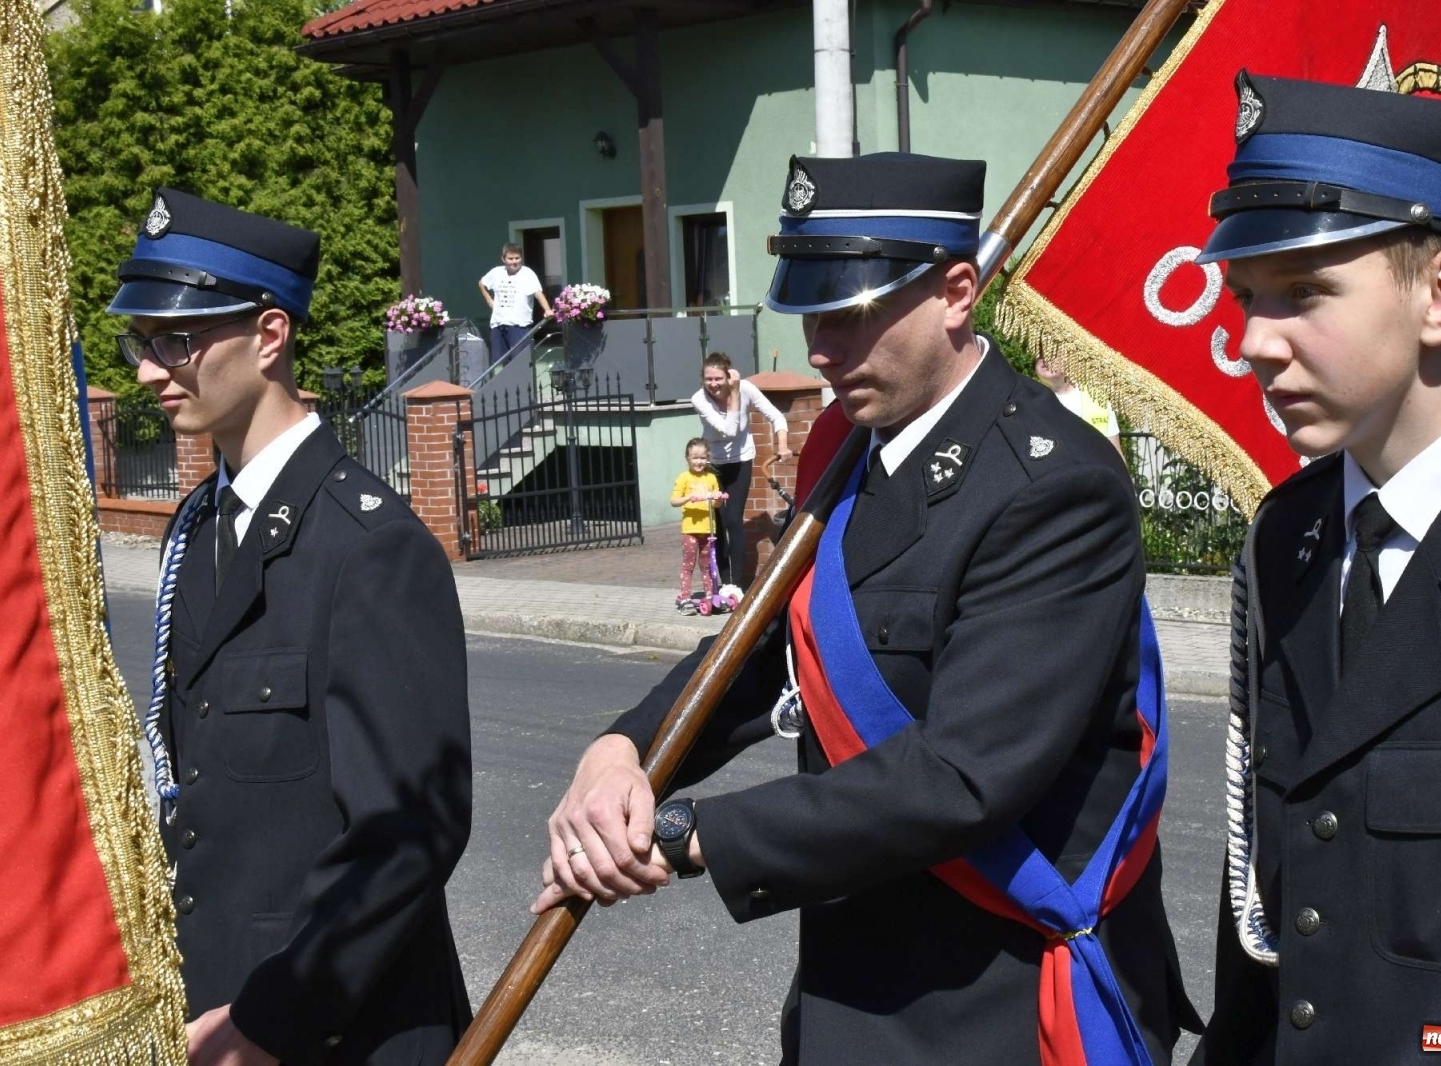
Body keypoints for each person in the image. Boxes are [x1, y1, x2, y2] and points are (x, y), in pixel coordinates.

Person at [532, 153, 1197, 1064]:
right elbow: (772, 643)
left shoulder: (1054, 486)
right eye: (812, 311)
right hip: (854, 993)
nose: (820, 349)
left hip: (994, 1002)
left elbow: (963, 775)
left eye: (852, 312)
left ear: (957, 292)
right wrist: (630, 751)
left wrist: (694, 837)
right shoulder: (852, 451)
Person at [1192, 74, 1441, 1061]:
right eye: (1244, 298)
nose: (1250, 343)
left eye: (1304, 293)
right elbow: (1270, 933)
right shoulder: (1283, 543)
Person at [112, 188, 473, 1065]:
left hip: (331, 1029)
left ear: (270, 336)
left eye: (180, 341)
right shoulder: (196, 528)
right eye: (142, 342)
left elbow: (408, 831)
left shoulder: (371, 546)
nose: (150, 371)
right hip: (207, 1013)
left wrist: (274, 1018)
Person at [690, 350, 792, 585]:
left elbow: (776, 416)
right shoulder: (699, 399)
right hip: (712, 465)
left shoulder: (747, 389)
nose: (713, 384)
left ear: (728, 376)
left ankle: (737, 584)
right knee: (716, 522)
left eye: (718, 378)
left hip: (740, 461)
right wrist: (734, 393)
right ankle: (720, 582)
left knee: (734, 519)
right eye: (708, 379)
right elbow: (729, 429)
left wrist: (783, 444)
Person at [670, 437, 725, 614]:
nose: (699, 461)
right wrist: (688, 497)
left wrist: (717, 497)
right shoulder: (684, 478)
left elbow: (717, 505)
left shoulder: (711, 478)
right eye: (695, 457)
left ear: (707, 458)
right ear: (688, 458)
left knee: (707, 565)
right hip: (691, 530)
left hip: (708, 529)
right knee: (688, 564)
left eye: (702, 458)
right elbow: (674, 501)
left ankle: (710, 595)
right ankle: (685, 597)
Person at [1035, 350, 1124, 455]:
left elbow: (1115, 454)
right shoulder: (1029, 398)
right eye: (1040, 353)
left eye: (1054, 353)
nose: (1045, 358)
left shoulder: (1097, 399)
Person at [478, 242, 552, 364]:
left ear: (521, 258)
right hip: (498, 324)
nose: (514, 262)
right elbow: (482, 283)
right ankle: (505, 384)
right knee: (500, 363)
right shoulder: (496, 272)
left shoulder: (527, 273)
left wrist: (547, 309)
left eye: (517, 258)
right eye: (510, 259)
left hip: (519, 325)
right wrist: (490, 300)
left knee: (519, 362)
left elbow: (538, 293)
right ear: (503, 259)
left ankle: (522, 384)